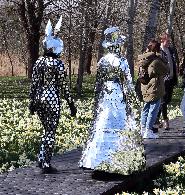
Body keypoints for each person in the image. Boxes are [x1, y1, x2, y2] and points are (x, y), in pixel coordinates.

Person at [79, 27, 146, 175]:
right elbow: (127, 83)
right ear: (117, 45)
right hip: (117, 93)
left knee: (103, 123)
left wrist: (96, 101)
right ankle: (118, 161)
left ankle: (97, 160)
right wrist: (134, 101)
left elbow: (98, 83)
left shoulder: (103, 61)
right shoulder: (121, 61)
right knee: (119, 123)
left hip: (105, 95)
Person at [29, 18, 77, 174]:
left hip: (39, 99)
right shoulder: (58, 64)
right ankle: (46, 163)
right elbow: (64, 86)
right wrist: (71, 103)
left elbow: (34, 84)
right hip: (51, 99)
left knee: (46, 129)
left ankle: (41, 158)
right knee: (50, 131)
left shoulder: (39, 62)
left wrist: (31, 102)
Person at [139, 39, 169, 139]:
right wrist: (162, 58)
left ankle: (143, 129)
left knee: (145, 108)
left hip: (145, 86)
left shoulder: (143, 58)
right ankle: (148, 130)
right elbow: (166, 70)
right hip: (155, 87)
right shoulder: (156, 60)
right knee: (153, 110)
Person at [155, 32, 178, 130]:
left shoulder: (171, 50)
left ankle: (155, 119)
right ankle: (165, 120)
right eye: (167, 40)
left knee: (167, 100)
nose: (169, 42)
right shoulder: (158, 51)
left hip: (171, 78)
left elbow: (174, 62)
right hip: (163, 80)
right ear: (162, 40)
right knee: (163, 101)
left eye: (169, 41)